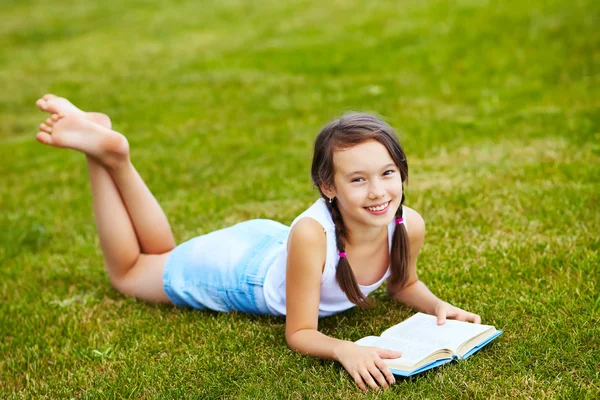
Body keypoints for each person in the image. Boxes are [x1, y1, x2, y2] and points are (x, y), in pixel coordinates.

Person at [34, 94, 482, 391]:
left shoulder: (409, 225)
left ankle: (110, 151)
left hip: (273, 247)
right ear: (328, 186)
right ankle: (106, 157)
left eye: (387, 174)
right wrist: (345, 348)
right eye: (358, 179)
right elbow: (300, 333)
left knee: (164, 256)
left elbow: (402, 284)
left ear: (402, 171)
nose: (379, 191)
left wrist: (436, 306)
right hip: (239, 272)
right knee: (129, 272)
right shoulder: (313, 235)